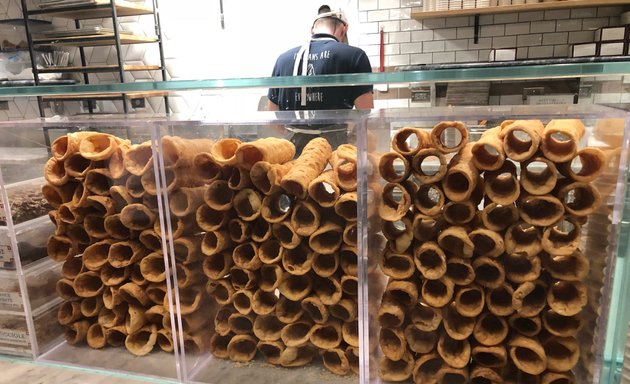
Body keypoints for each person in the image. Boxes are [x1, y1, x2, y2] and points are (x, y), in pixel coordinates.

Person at [267, 5, 374, 153]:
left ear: (312, 30)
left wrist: (292, 133)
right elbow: (365, 115)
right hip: (334, 153)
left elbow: (271, 113)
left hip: (293, 154)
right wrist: (349, 139)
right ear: (344, 29)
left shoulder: (283, 59)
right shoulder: (355, 56)